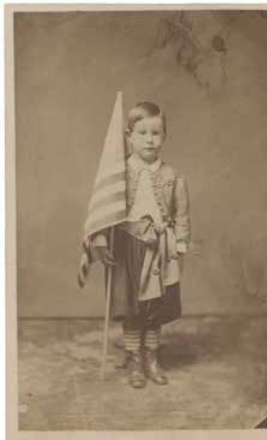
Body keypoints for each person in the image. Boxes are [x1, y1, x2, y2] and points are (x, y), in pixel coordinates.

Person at [90, 101, 191, 389]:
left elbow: (182, 213)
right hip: (126, 247)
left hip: (160, 248)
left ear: (164, 136)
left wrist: (180, 245)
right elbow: (105, 209)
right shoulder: (118, 173)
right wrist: (99, 236)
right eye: (143, 132)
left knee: (154, 306)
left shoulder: (173, 176)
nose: (149, 139)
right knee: (131, 305)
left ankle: (152, 356)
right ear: (129, 135)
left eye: (156, 133)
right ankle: (134, 357)